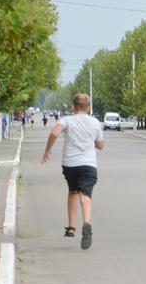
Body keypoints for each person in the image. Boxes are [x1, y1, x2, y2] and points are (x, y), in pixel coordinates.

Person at [40, 93, 104, 250]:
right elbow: (100, 145)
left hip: (70, 164)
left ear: (74, 106)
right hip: (88, 164)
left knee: (73, 192)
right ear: (88, 107)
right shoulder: (95, 122)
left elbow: (55, 132)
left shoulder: (66, 120)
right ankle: (87, 223)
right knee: (85, 194)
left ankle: (71, 227)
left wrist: (47, 151)